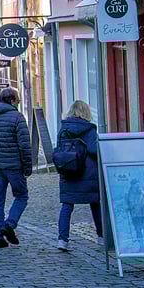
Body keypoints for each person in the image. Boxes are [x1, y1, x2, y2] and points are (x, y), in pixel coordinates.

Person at [0, 87, 32, 248]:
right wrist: (27, 166)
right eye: (17, 100)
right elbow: (24, 145)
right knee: (21, 196)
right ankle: (9, 224)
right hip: (13, 165)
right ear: (11, 100)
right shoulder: (17, 117)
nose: (17, 102)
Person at [55, 100, 104, 251]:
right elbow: (94, 150)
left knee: (67, 205)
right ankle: (101, 237)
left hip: (68, 172)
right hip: (88, 173)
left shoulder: (64, 129)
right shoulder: (89, 129)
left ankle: (62, 240)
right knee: (95, 204)